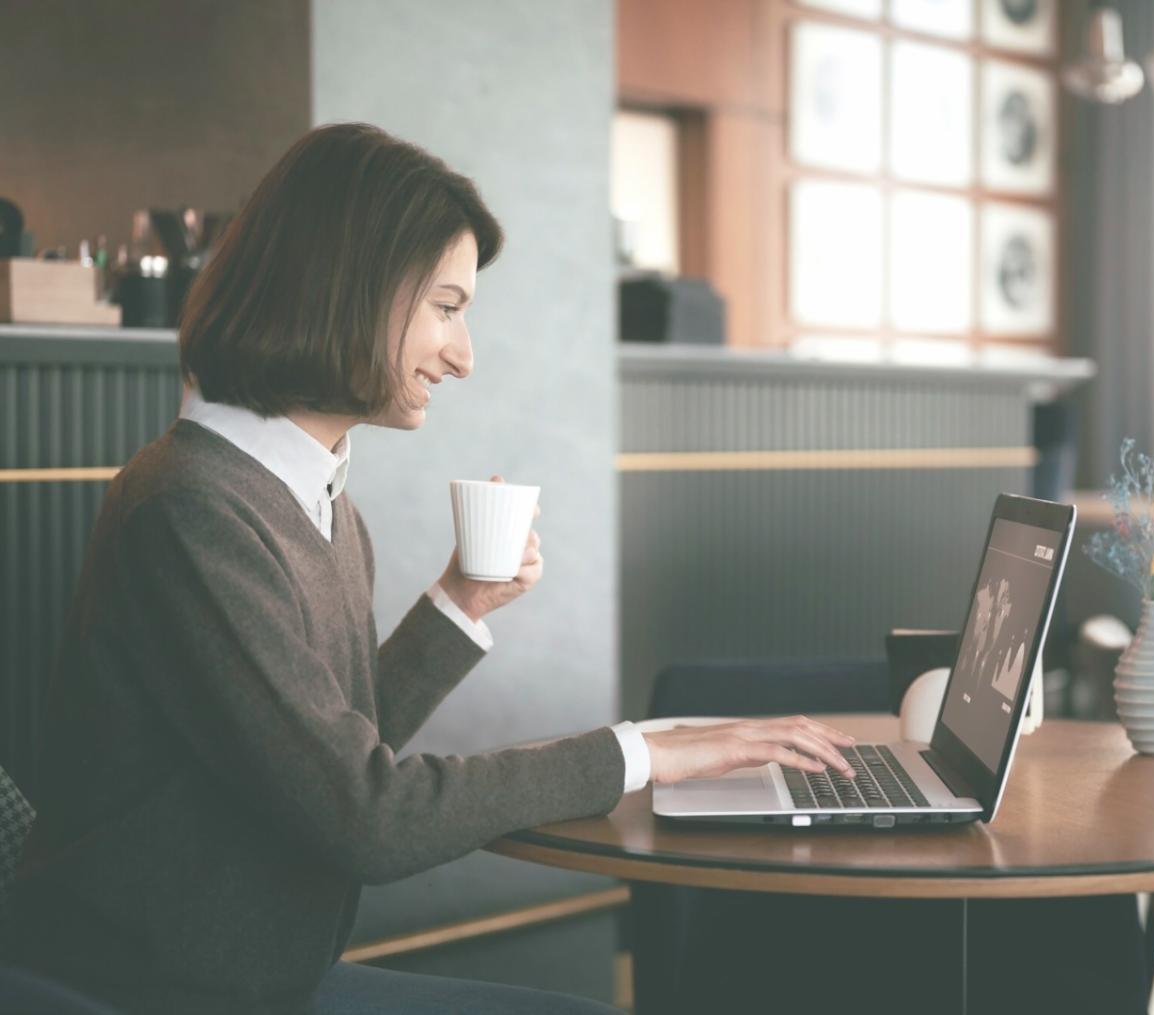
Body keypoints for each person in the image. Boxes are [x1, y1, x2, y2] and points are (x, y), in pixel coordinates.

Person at [12, 122, 857, 1015]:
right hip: (153, 991)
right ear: (352, 290)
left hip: (258, 978)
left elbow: (326, 749)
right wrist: (644, 752)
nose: (464, 354)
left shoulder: (315, 496)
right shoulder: (193, 511)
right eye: (447, 308)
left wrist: (460, 603)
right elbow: (366, 816)